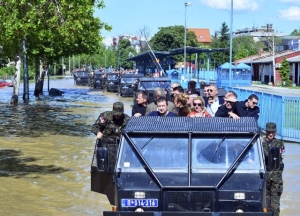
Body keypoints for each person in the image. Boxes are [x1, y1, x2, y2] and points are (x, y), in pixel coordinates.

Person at [91, 102, 130, 171]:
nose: (117, 116)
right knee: (104, 168)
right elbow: (94, 127)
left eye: (119, 114)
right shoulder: (105, 117)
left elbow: (131, 132)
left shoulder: (127, 120)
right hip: (105, 145)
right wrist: (98, 132)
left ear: (123, 111)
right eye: (115, 114)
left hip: (119, 146)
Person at [262, 122, 285, 216]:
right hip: (264, 177)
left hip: (276, 179)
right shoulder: (260, 142)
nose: (270, 134)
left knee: (275, 206)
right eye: (268, 132)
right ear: (265, 131)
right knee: (265, 205)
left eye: (272, 132)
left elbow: (275, 155)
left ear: (275, 132)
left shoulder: (279, 143)